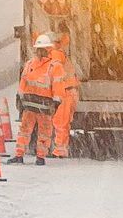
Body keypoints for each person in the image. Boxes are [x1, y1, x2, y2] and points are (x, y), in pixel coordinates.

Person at [9, 33, 65, 166]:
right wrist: (56, 102)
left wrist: (20, 97)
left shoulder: (42, 65)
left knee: (30, 131)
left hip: (35, 105)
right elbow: (24, 82)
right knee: (37, 131)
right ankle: (33, 156)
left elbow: (56, 86)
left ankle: (29, 156)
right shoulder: (51, 66)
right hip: (40, 106)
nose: (40, 52)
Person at [48, 30, 78, 158]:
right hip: (69, 91)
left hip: (64, 92)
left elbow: (55, 75)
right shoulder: (61, 54)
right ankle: (61, 148)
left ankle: (60, 150)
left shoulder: (55, 54)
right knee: (63, 123)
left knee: (60, 122)